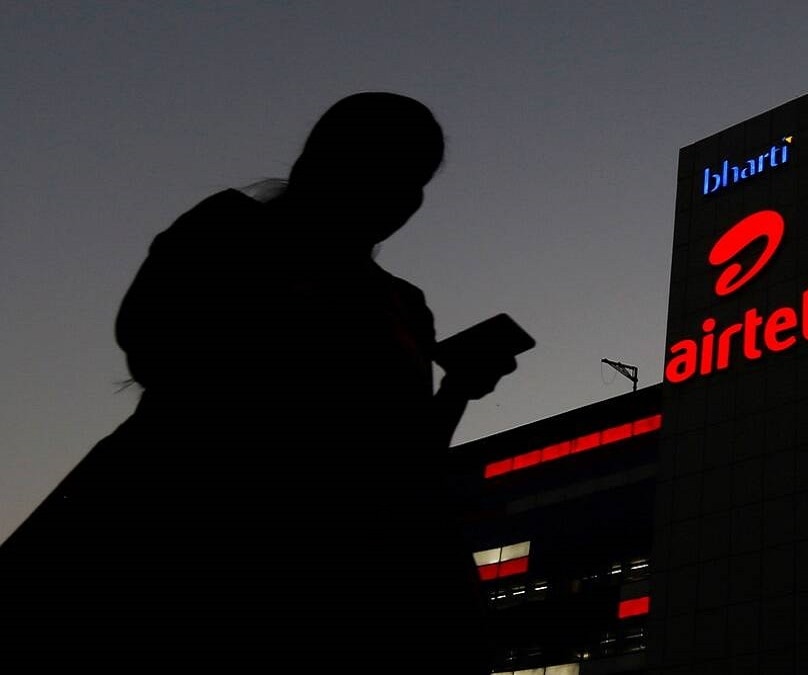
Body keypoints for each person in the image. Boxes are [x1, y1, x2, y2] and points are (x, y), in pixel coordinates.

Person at [0, 93, 514, 670]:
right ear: (320, 162)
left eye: (413, 183)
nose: (401, 199)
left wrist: (458, 388)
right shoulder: (230, 228)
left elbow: (408, 459)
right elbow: (157, 348)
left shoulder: (404, 304)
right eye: (384, 171)